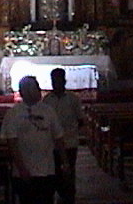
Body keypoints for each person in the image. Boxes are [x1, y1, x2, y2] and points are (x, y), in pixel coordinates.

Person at [0, 75, 68, 204]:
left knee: (46, 199)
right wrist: (21, 168)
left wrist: (65, 162)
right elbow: (12, 142)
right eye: (36, 87)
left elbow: (58, 137)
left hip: (46, 170)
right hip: (24, 171)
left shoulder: (48, 111)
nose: (39, 90)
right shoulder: (13, 114)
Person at [43, 68, 85, 204]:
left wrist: (70, 132)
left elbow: (80, 119)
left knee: (69, 172)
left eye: (59, 81)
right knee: (54, 172)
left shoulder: (73, 99)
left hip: (69, 142)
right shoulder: (47, 100)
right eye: (55, 81)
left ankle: (68, 197)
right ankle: (58, 194)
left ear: (64, 81)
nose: (57, 84)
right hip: (52, 144)